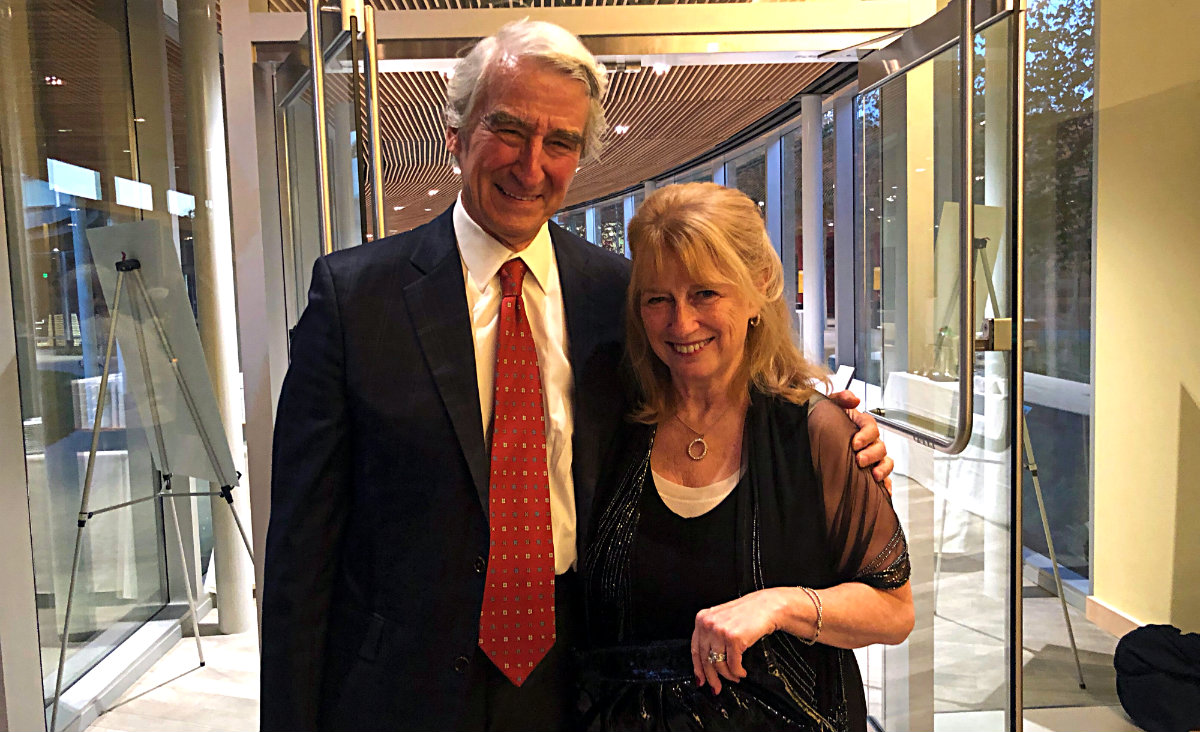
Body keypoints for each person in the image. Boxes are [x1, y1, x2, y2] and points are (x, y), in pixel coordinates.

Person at [260, 20, 893, 732]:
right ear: (456, 132)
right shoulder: (354, 300)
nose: (532, 165)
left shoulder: (616, 296)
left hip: (576, 683)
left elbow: (709, 396)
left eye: (559, 142)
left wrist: (837, 433)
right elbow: (299, 556)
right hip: (400, 689)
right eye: (508, 129)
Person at [581, 182, 914, 732]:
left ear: (759, 288)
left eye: (705, 294)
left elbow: (894, 610)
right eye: (657, 299)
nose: (681, 324)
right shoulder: (610, 423)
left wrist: (782, 605)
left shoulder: (818, 431)